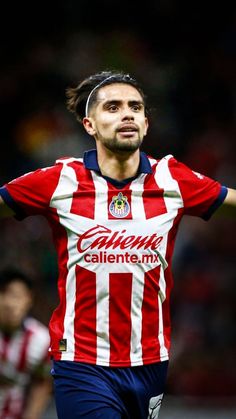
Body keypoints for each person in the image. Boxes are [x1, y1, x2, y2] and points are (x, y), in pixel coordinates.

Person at [0, 69, 235, 419]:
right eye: (112, 107)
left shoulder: (173, 178)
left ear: (145, 123)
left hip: (150, 361)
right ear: (89, 125)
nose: (127, 113)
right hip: (81, 361)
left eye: (135, 107)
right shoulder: (58, 181)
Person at [0, 268, 52, 419]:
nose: (10, 303)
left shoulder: (40, 339)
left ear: (29, 299)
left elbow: (42, 384)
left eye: (17, 296)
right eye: (4, 294)